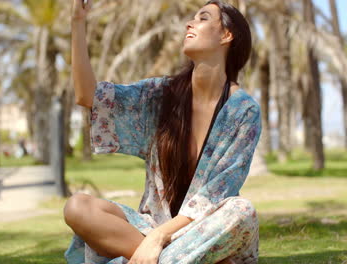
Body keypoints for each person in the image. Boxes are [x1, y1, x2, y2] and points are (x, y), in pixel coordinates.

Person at [64, 0, 261, 263]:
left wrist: (158, 239)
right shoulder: (160, 95)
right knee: (77, 206)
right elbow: (88, 95)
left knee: (241, 210)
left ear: (227, 35)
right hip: (152, 227)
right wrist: (77, 23)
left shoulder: (243, 111)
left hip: (204, 231)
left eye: (203, 18)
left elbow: (216, 196)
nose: (190, 23)